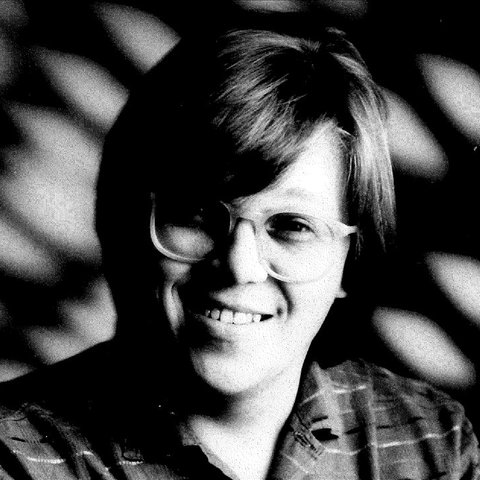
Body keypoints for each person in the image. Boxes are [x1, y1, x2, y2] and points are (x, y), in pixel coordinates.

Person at [0, 25, 478, 480]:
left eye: (292, 227)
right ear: (122, 221)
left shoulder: (432, 441)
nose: (239, 266)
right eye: (197, 214)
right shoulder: (14, 453)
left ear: (349, 260)